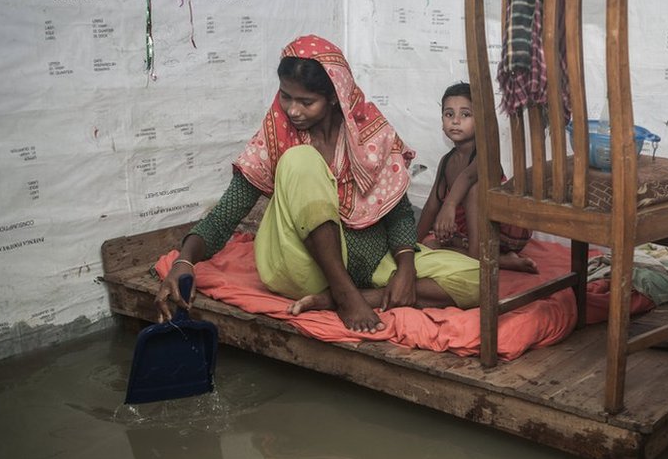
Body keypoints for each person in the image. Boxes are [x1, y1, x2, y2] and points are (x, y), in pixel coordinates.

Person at [155, 35, 479, 333]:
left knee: (478, 279)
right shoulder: (279, 135)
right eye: (285, 96)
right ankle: (343, 292)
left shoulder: (374, 135)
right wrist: (184, 260)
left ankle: (356, 296)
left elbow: (399, 213)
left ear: (335, 97)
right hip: (301, 267)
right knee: (300, 159)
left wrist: (406, 268)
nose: (292, 110)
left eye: (306, 102)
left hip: (373, 266)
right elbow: (228, 211)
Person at [415, 82, 537, 273]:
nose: (456, 121)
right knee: (432, 243)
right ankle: (483, 255)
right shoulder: (446, 161)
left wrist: (449, 206)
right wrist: (413, 246)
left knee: (474, 189)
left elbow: (468, 177)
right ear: (442, 122)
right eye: (449, 114)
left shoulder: (486, 154)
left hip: (508, 230)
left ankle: (484, 258)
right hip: (477, 234)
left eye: (465, 114)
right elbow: (432, 205)